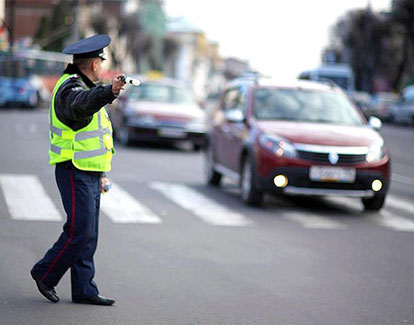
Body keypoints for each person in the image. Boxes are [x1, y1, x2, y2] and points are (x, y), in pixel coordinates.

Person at [30, 34, 125, 306]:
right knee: (79, 231)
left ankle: (84, 288)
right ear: (94, 64)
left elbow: (97, 135)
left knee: (88, 233)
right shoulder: (69, 89)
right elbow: (80, 106)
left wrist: (102, 173)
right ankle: (44, 273)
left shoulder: (83, 85)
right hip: (74, 169)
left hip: (90, 171)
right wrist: (108, 92)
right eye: (99, 60)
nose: (100, 65)